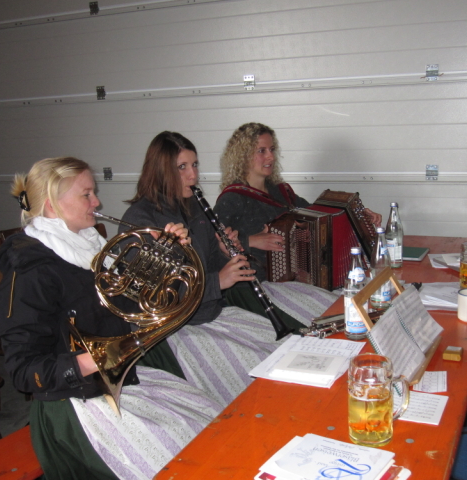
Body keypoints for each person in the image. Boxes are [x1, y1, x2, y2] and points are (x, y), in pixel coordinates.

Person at [0, 157, 224, 480]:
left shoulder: (91, 247)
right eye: (86, 194)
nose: (96, 202)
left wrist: (168, 253)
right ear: (53, 206)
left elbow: (139, 302)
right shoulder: (30, 271)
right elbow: (23, 371)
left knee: (209, 419)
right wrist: (92, 360)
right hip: (74, 405)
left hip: (116, 382)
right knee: (188, 458)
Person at [120, 131, 337, 404]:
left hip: (211, 313)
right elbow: (154, 299)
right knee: (264, 369)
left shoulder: (194, 206)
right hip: (178, 331)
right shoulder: (139, 220)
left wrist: (225, 253)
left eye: (195, 164)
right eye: (182, 167)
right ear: (161, 171)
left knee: (289, 349)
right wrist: (218, 281)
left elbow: (210, 264)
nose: (193, 175)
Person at [215, 122, 382, 283]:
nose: (271, 156)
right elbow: (210, 245)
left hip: (298, 278)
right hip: (258, 283)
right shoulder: (232, 199)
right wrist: (250, 241)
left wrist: (358, 215)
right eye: (261, 151)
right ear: (243, 156)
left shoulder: (281, 192)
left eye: (272, 149)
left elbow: (318, 215)